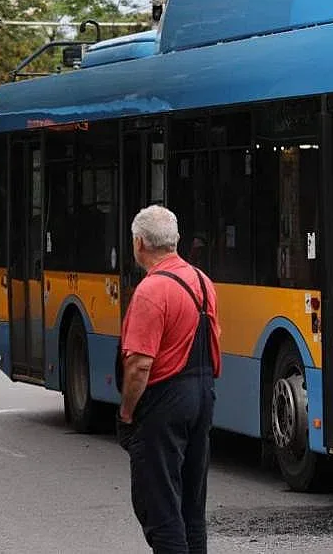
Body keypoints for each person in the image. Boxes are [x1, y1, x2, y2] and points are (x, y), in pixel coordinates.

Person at [116, 205, 222, 552]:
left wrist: (127, 413)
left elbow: (139, 366)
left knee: (160, 509)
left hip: (164, 403)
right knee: (192, 508)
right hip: (202, 397)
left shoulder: (151, 291)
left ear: (139, 243)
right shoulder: (203, 282)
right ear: (175, 240)